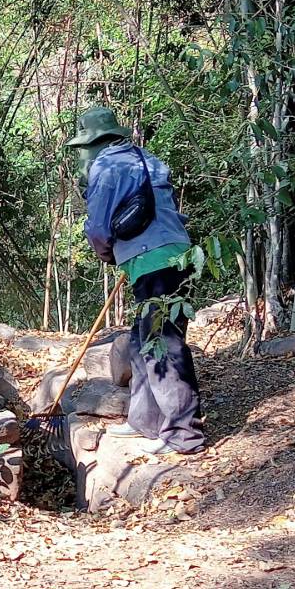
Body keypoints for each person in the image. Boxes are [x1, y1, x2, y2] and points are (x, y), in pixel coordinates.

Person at [66, 104, 204, 456]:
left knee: (163, 344)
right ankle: (145, 420)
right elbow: (168, 210)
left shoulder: (105, 167)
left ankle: (184, 435)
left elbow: (97, 227)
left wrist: (107, 253)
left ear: (94, 143)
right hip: (176, 254)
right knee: (145, 340)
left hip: (151, 259)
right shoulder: (147, 158)